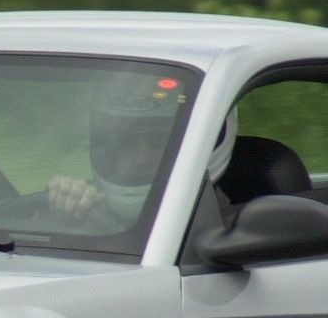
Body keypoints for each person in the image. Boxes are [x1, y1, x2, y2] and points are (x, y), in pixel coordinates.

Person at [49, 80, 237, 229]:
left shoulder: (237, 229)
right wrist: (65, 211)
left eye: (160, 140)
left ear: (205, 141)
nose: (141, 158)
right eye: (124, 139)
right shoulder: (88, 201)